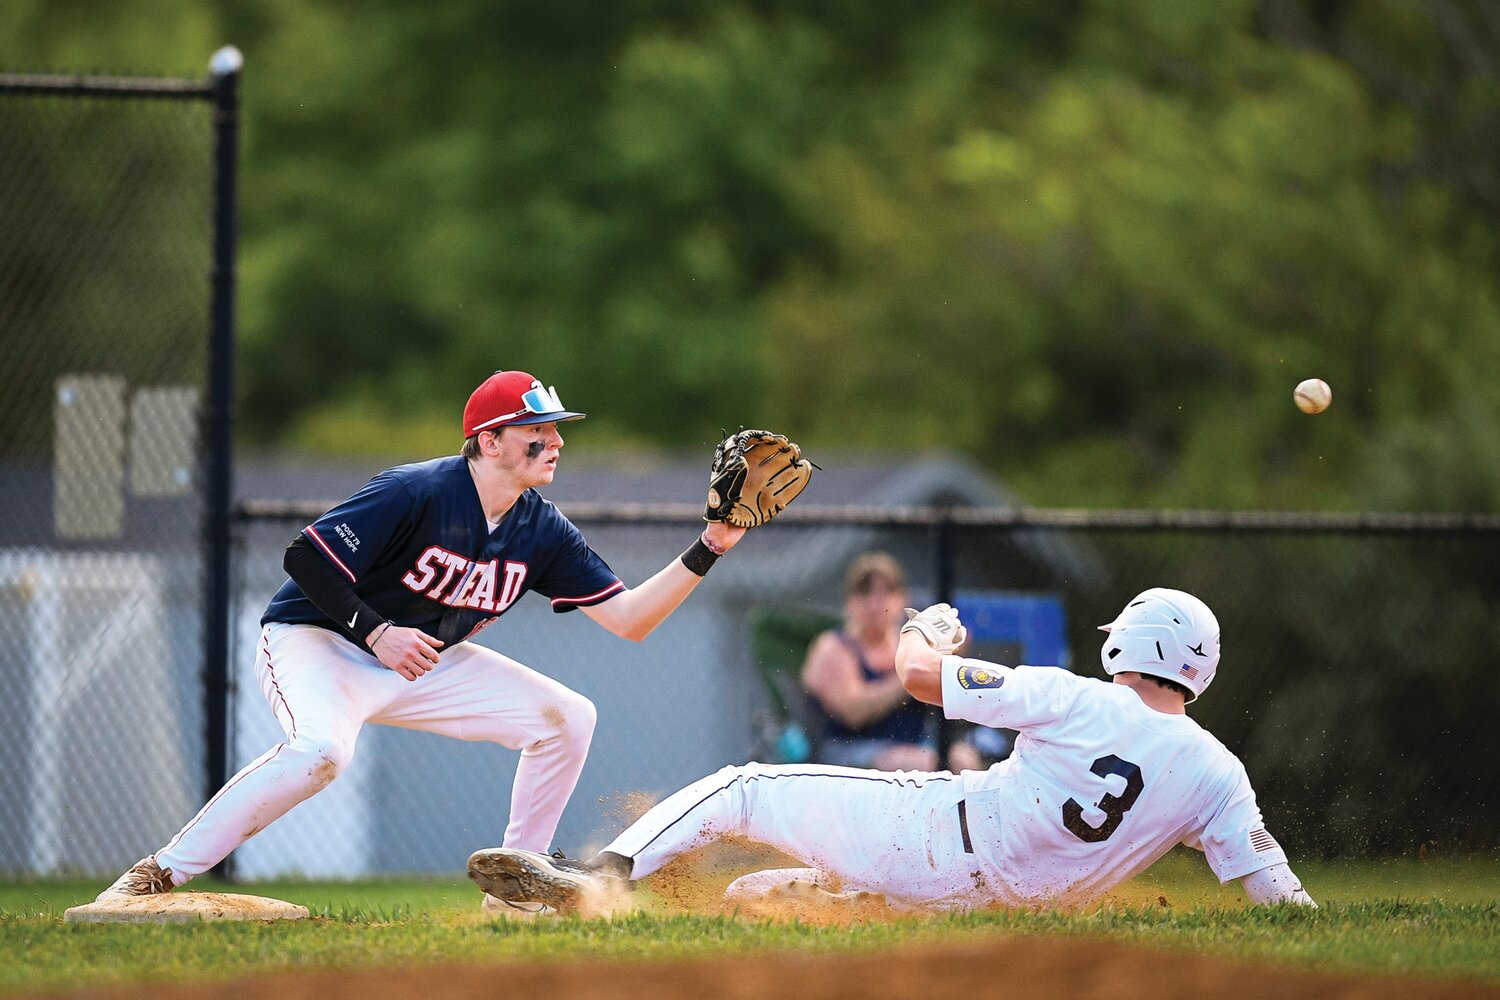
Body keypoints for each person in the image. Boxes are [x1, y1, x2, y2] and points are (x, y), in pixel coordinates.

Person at [96, 370, 749, 917]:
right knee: (322, 752)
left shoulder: (541, 530)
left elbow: (631, 618)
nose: (554, 442)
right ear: (489, 441)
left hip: (417, 663)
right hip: (318, 640)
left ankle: (516, 896)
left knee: (567, 718)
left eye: (556, 431)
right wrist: (375, 632)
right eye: (537, 431)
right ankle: (155, 877)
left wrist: (711, 545)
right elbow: (307, 559)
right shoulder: (417, 490)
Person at [467, 588, 1317, 913]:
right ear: (1199, 671)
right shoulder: (1217, 772)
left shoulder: (1076, 696)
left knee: (747, 786)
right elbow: (1279, 899)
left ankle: (599, 880)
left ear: (1127, 644)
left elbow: (917, 677)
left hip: (941, 838)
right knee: (760, 895)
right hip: (993, 910)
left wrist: (928, 629)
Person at [801, 552, 979, 771]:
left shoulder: (912, 644)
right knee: (921, 761)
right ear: (849, 601)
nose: (877, 604)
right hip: (846, 752)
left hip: (915, 747)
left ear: (903, 600)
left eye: (887, 592)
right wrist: (914, 674)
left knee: (964, 758)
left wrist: (950, 664)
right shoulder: (833, 647)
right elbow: (854, 711)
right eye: (866, 592)